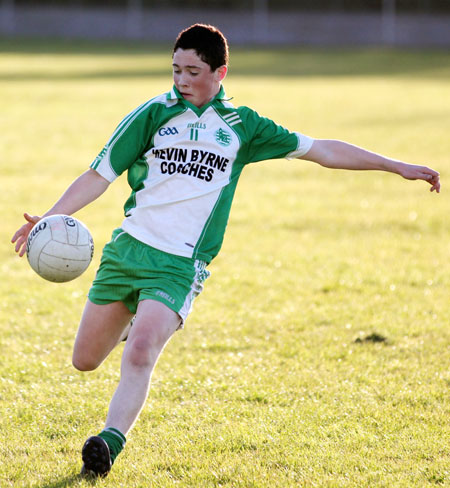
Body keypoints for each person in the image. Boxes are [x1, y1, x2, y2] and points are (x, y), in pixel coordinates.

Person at [11, 24, 440, 478]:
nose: (181, 80)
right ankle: (134, 323)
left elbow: (323, 151)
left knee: (141, 351)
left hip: (179, 265)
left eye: (192, 71)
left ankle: (108, 444)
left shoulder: (243, 128)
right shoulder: (152, 114)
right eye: (175, 69)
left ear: (220, 72)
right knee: (85, 360)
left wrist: (396, 166)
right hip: (128, 252)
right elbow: (100, 173)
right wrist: (50, 216)